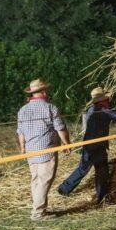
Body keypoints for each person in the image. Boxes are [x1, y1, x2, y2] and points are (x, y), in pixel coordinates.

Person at [57, 87, 116, 202]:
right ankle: (101, 195)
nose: (108, 101)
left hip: (91, 145)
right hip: (96, 146)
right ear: (102, 101)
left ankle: (64, 188)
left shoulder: (93, 109)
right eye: (106, 99)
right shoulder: (102, 110)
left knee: (85, 169)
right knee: (101, 171)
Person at [17, 78, 70, 221]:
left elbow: (20, 132)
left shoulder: (22, 110)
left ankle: (39, 209)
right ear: (43, 92)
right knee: (44, 180)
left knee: (36, 180)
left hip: (30, 151)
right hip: (46, 150)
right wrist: (66, 143)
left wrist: (22, 149)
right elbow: (60, 128)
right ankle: (38, 213)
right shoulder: (50, 107)